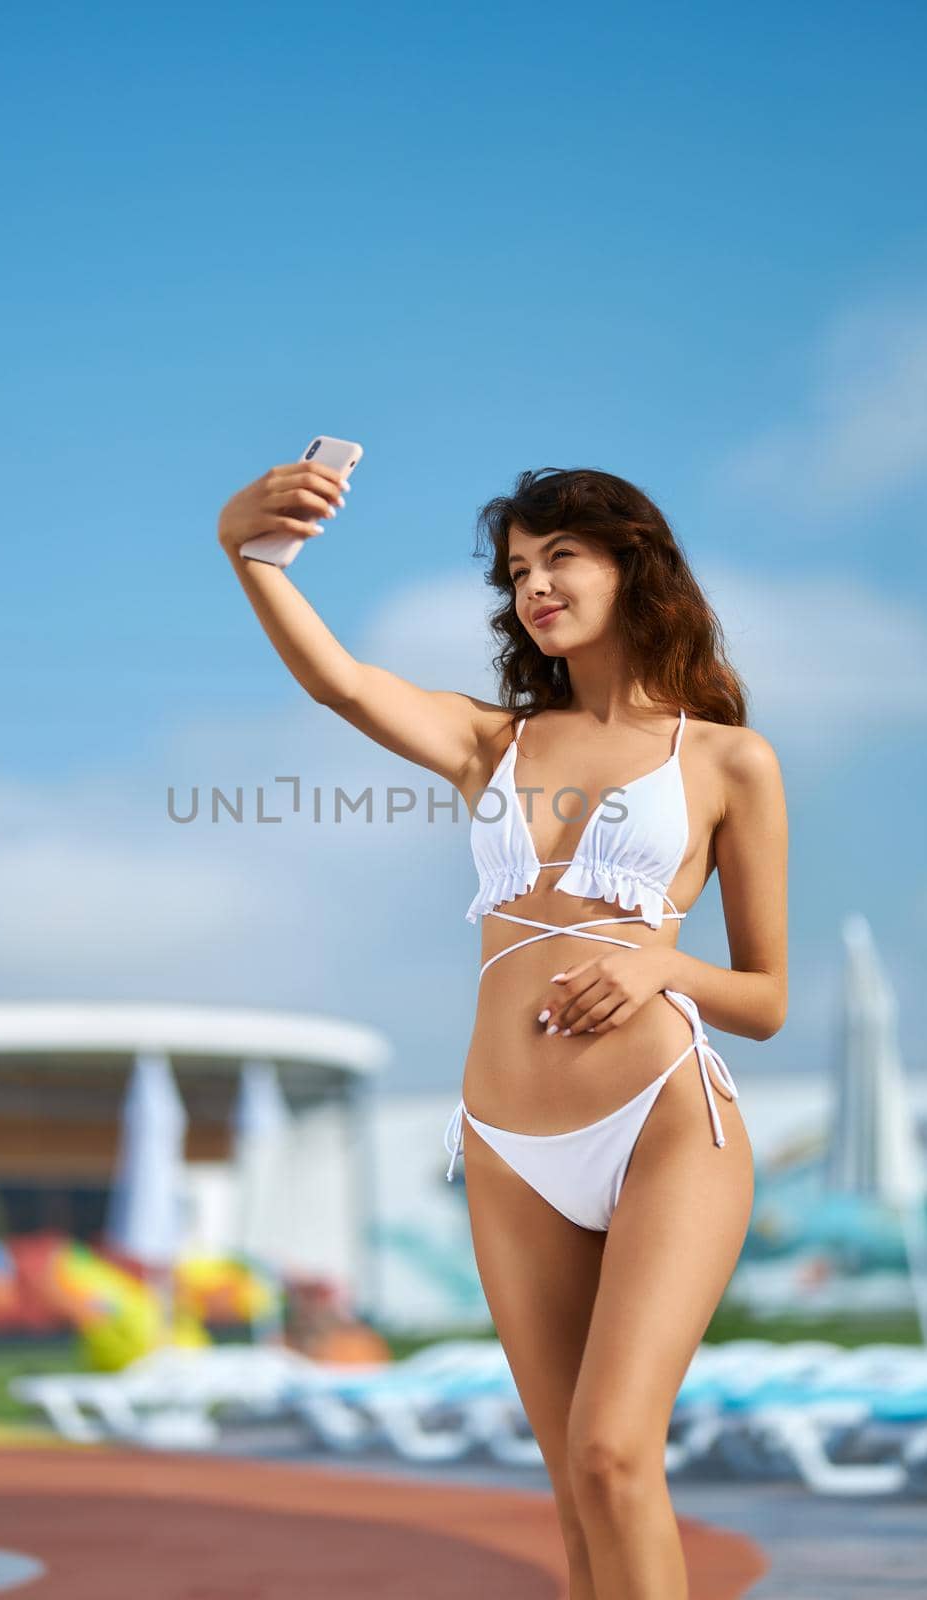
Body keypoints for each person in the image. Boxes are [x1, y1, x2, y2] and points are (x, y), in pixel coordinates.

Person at [216, 460, 787, 1600]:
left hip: (662, 1123)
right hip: (507, 1144)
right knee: (575, 1498)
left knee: (614, 1455)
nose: (533, 584)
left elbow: (766, 996)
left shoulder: (724, 758)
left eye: (558, 556)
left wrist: (660, 964)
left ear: (632, 563)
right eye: (517, 568)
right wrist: (251, 554)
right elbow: (339, 683)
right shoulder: (496, 744)